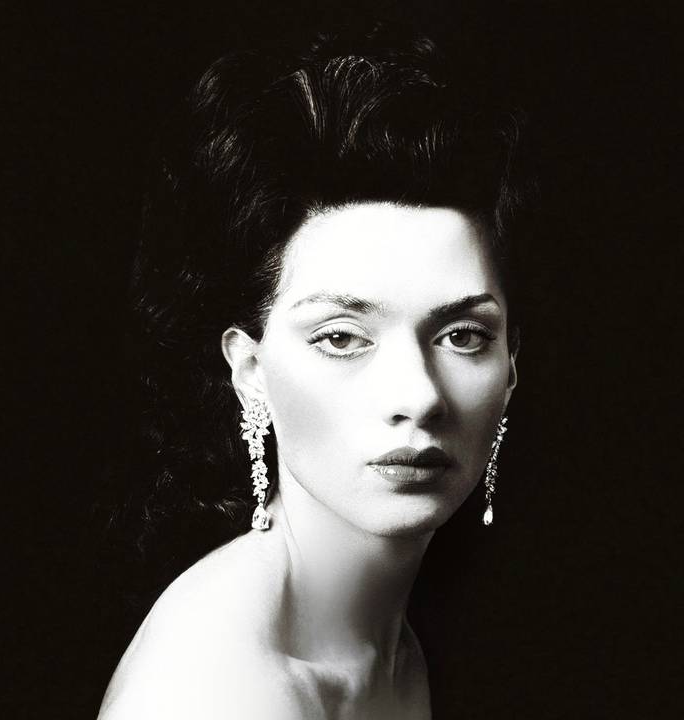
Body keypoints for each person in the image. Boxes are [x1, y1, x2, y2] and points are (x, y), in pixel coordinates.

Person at [97, 21, 530, 720]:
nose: (419, 396)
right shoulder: (214, 690)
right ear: (250, 370)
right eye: (341, 337)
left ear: (510, 368)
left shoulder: (388, 649)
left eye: (461, 335)